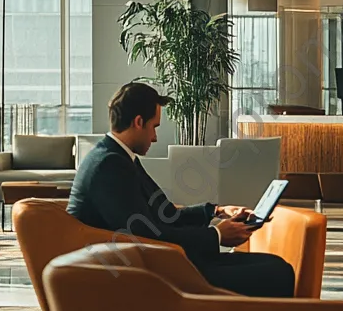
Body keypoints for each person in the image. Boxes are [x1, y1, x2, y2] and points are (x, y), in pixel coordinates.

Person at [67, 82, 296, 298]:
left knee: (275, 266)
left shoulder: (117, 158)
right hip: (147, 273)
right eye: (154, 127)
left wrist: (216, 211)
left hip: (158, 263)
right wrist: (217, 235)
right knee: (277, 272)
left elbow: (165, 213)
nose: (155, 137)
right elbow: (146, 235)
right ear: (138, 122)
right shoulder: (109, 165)